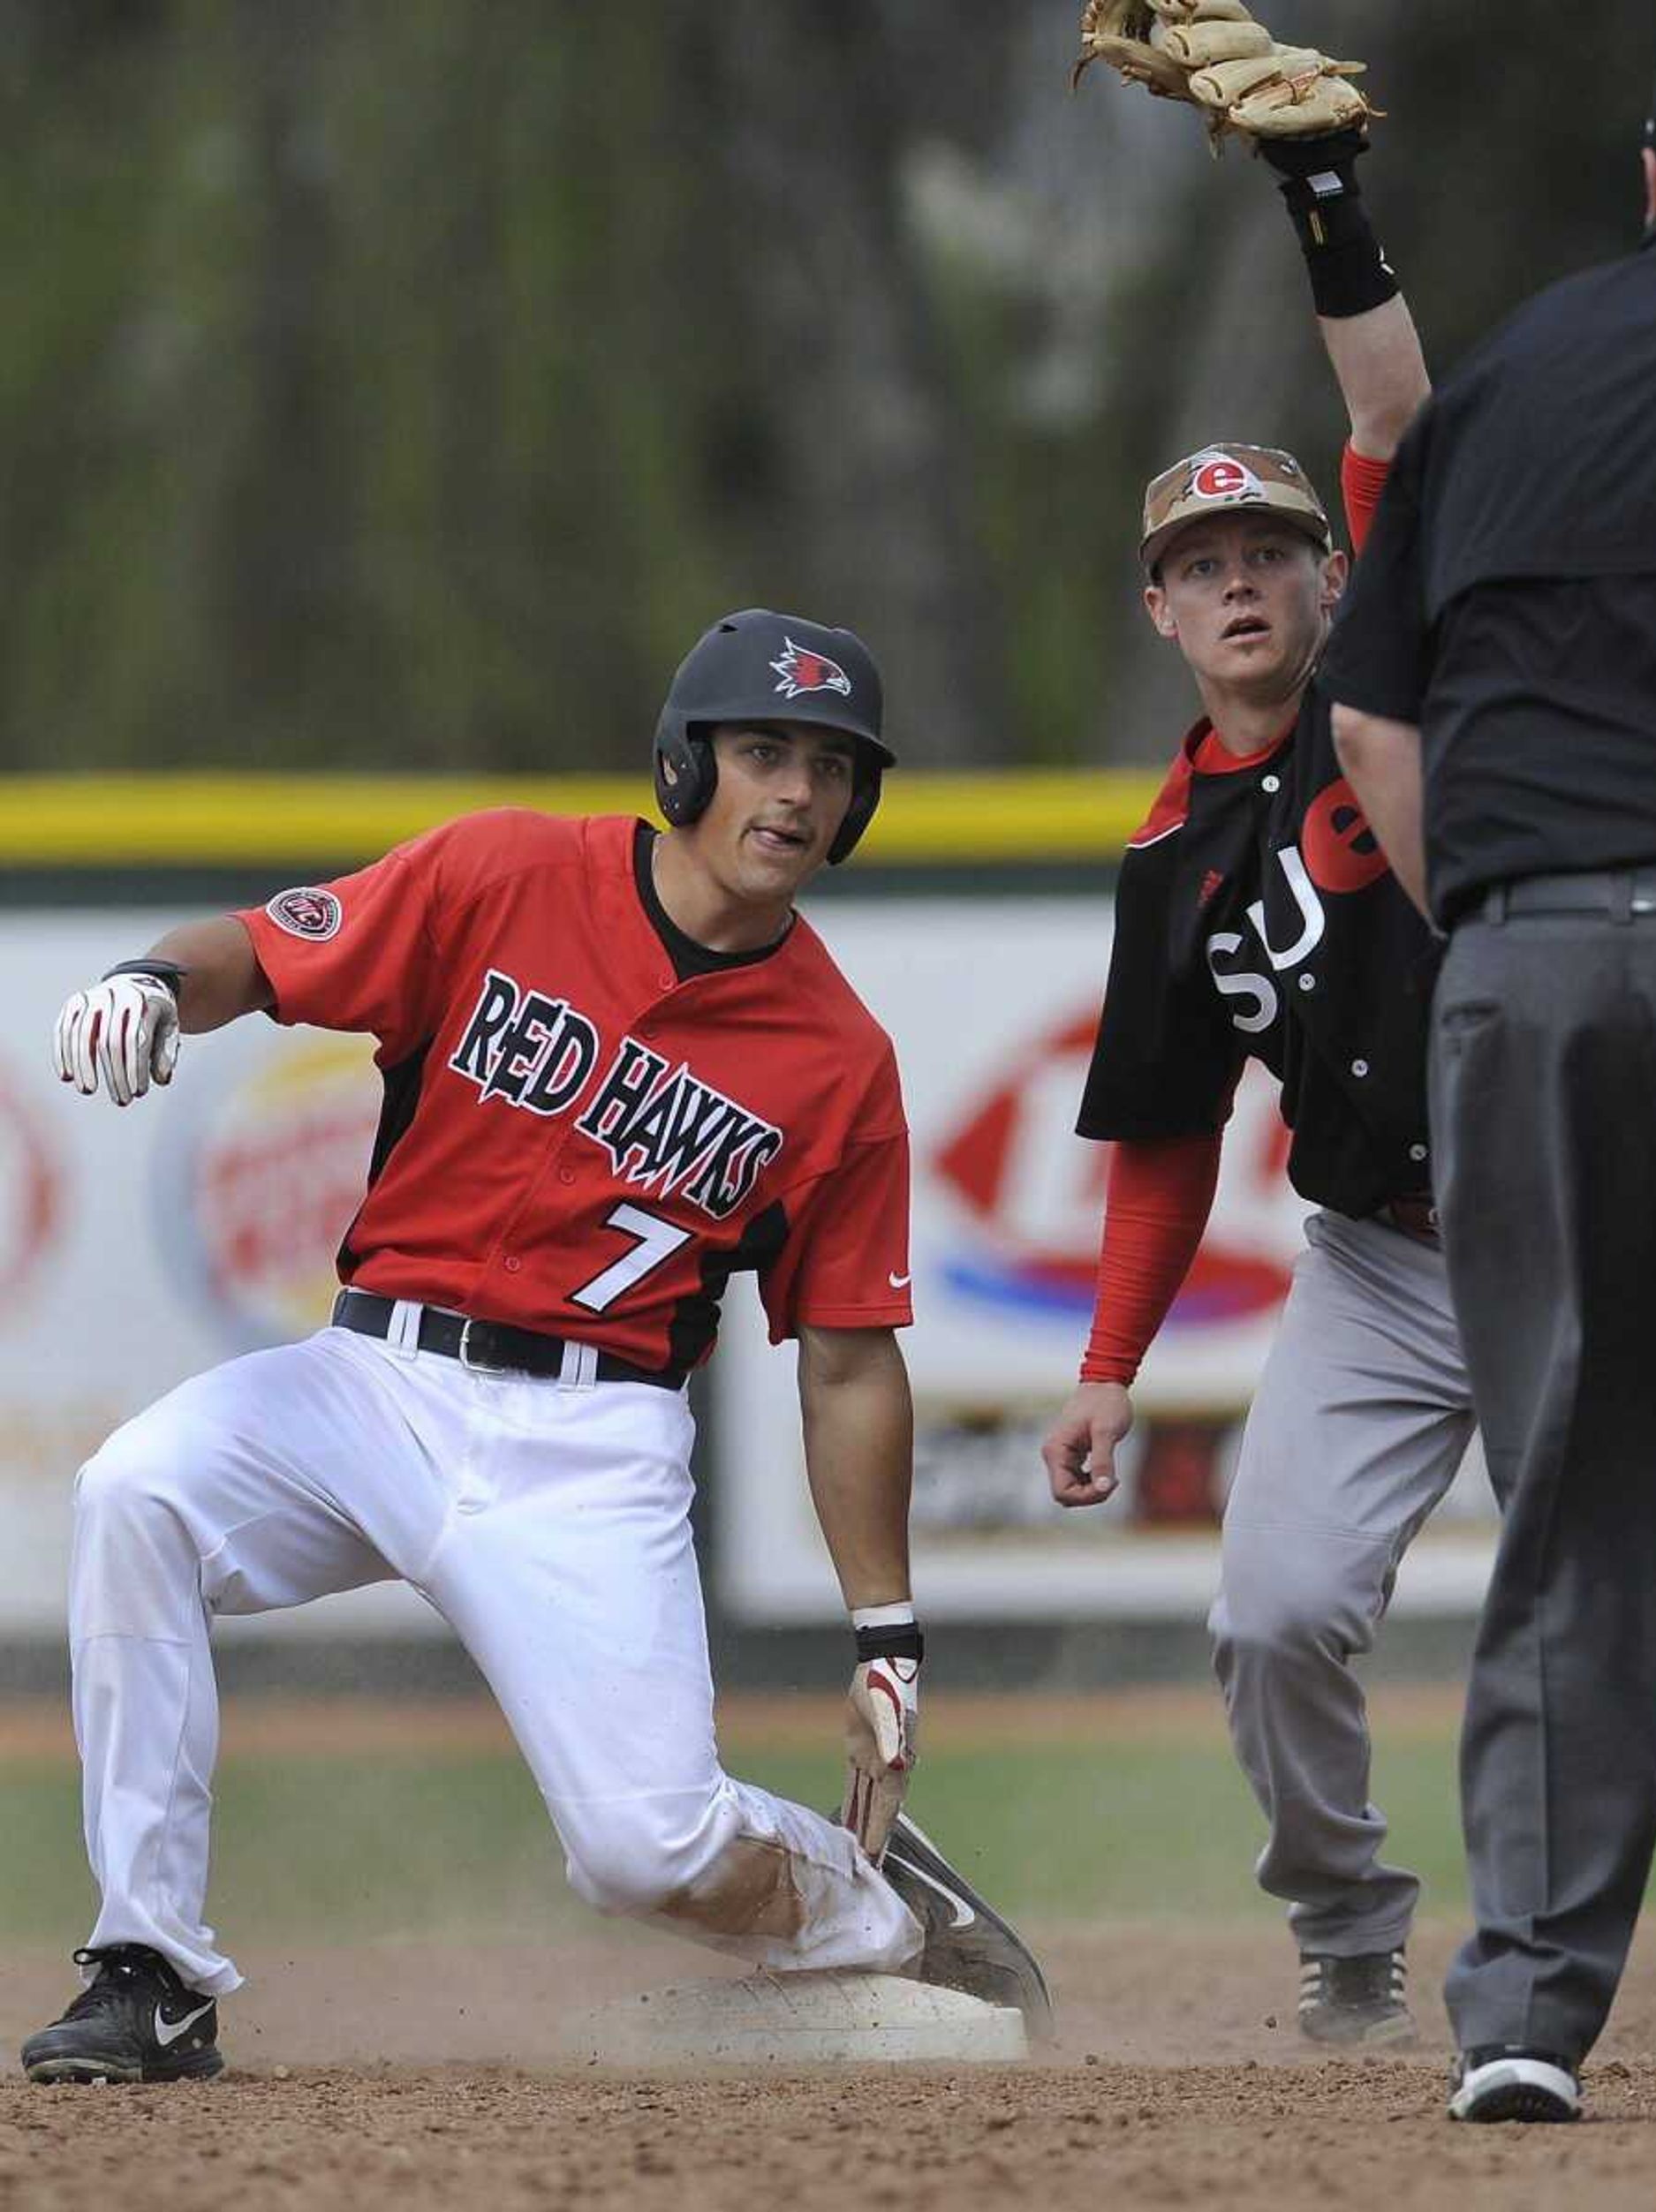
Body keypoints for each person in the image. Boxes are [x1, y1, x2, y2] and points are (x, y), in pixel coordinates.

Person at [1039, 82, 1656, 2086]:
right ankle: (1349, 1929)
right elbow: (1162, 1134)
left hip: (1590, 1222)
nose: (1237, 581)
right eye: (1197, 557)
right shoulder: (1168, 860)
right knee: (1271, 1610)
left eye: (1270, 549)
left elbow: (1391, 415)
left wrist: (1324, 207)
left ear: (1329, 573)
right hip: (1381, 1266)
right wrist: (1114, 1364)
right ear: (1155, 607)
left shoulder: (1422, 675)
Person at [27, 607, 1050, 2085]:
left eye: (833, 767)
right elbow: (257, 951)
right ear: (682, 763)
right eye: (763, 750)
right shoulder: (504, 870)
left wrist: (886, 1631)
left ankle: (873, 1901)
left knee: (649, 1852)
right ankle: (151, 1968)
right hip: (374, 1378)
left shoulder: (838, 1058)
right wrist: (149, 981)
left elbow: (845, 1358)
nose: (797, 794)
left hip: (596, 1440)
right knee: (137, 1490)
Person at [1323, 19, 1656, 2126]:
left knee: (1569, 1498)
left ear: (1649, 183)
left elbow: (1371, 734)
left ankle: (1520, 2010)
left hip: (1513, 975)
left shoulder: (1504, 376)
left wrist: (1514, 938)